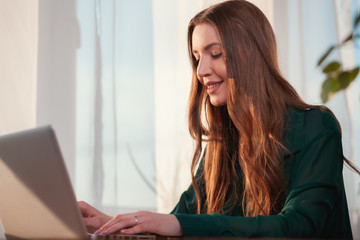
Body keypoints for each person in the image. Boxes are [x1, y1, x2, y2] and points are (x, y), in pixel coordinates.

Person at [79, 0, 360, 238]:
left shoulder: (316, 127)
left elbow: (298, 227)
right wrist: (111, 224)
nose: (201, 70)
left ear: (251, 55)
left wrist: (177, 224)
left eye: (216, 54)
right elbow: (179, 220)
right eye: (196, 57)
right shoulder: (221, 144)